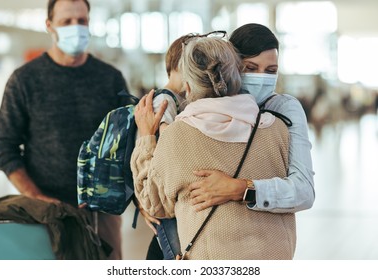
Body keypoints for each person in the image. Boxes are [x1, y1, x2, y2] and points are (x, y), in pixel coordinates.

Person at [131, 36, 295, 259]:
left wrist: (146, 137)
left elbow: (155, 205)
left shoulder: (176, 136)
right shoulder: (277, 128)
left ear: (188, 86)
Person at [0, 0, 131, 259]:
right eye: (66, 21)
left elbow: (130, 142)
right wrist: (36, 196)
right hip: (46, 211)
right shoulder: (25, 80)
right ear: (49, 26)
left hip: (103, 212)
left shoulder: (110, 79)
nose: (75, 27)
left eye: (82, 21)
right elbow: (4, 146)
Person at [188, 23, 315, 215]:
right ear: (231, 66)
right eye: (251, 68)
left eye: (271, 71)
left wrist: (240, 189)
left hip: (263, 236)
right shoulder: (208, 105)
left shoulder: (283, 109)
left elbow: (304, 191)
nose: (261, 77)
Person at [134, 34, 192, 260]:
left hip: (166, 194)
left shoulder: (179, 99)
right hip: (163, 195)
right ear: (180, 63)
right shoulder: (164, 101)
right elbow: (169, 148)